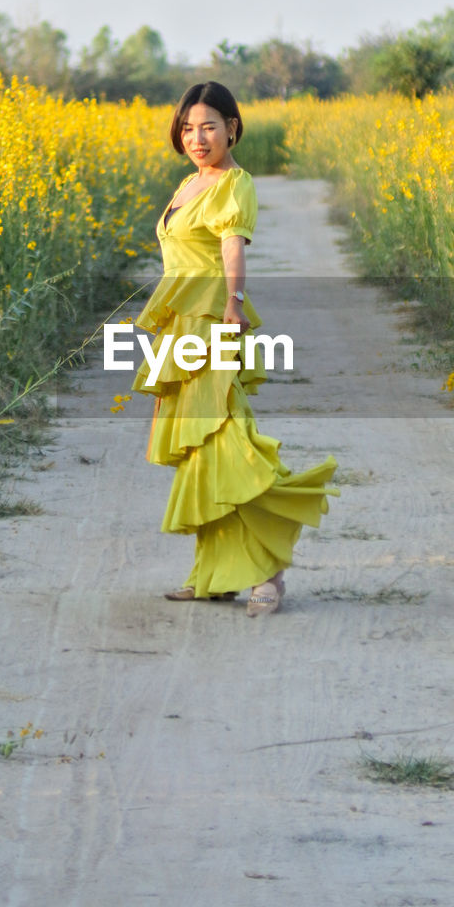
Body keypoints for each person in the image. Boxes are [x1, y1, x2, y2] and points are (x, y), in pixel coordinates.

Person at [132, 81, 338, 616]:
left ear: (232, 128)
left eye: (208, 126)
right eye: (187, 128)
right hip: (181, 327)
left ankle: (268, 571)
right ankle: (215, 576)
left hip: (212, 322)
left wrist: (234, 303)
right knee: (201, 451)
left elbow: (230, 249)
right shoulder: (188, 185)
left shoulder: (233, 184)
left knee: (226, 437)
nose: (197, 137)